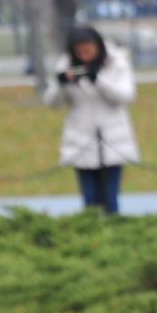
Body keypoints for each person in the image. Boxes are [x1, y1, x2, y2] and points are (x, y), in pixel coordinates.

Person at [42, 24, 138, 214]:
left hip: (112, 139)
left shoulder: (117, 63)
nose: (85, 56)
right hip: (81, 139)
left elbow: (126, 96)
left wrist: (98, 80)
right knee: (90, 198)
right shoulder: (66, 65)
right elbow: (53, 104)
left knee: (110, 199)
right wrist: (60, 84)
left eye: (88, 51)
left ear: (98, 47)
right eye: (80, 52)